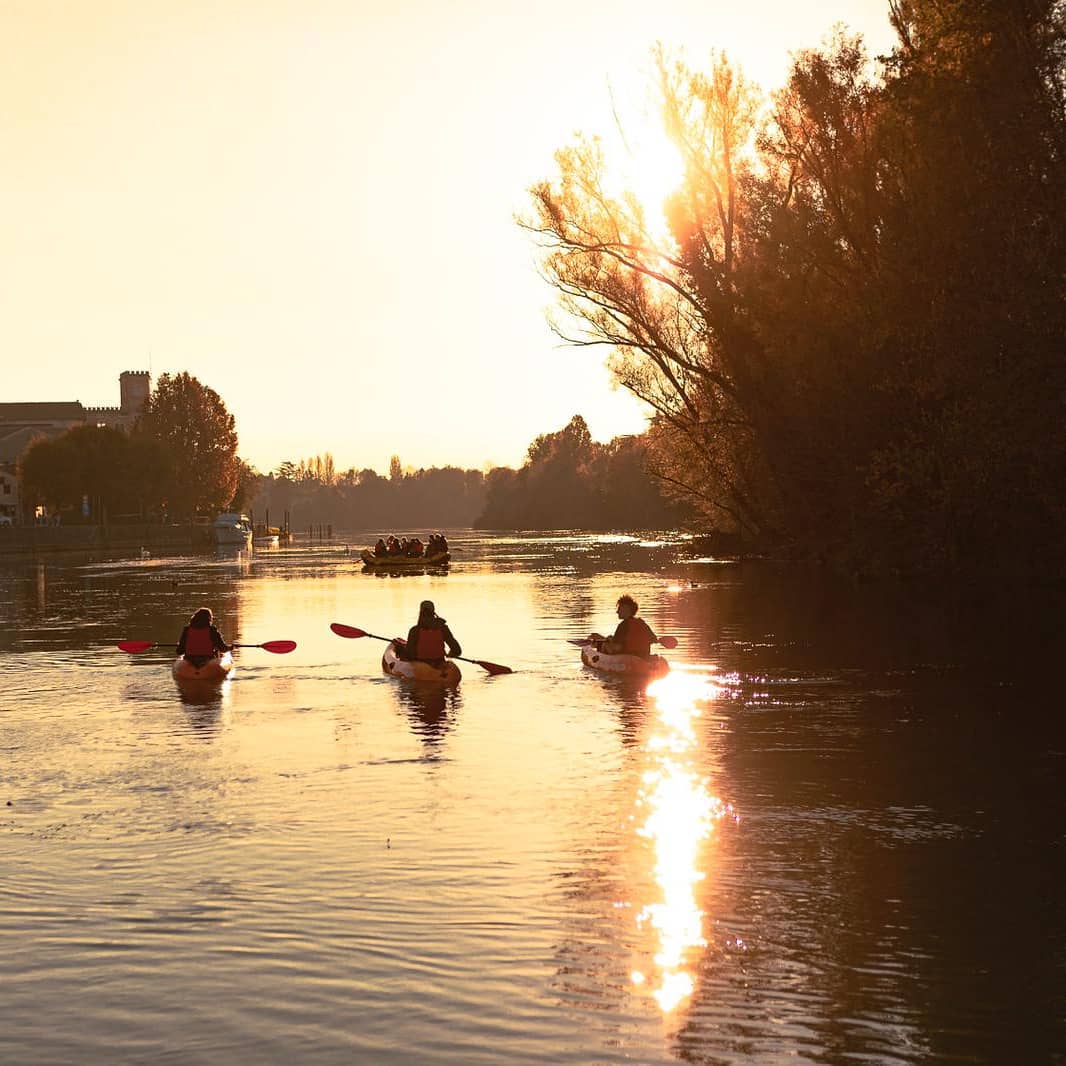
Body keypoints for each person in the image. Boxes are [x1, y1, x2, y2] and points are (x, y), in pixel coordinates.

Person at [399, 600, 461, 665]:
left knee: (401, 650)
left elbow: (409, 654)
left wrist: (401, 651)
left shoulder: (415, 630)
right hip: (439, 662)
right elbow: (457, 651)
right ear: (433, 611)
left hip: (420, 665)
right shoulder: (443, 628)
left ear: (421, 612)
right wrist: (450, 654)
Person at [594, 594, 658, 658]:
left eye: (619, 609)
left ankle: (600, 658)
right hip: (643, 656)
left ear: (625, 609)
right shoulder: (642, 623)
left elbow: (616, 646)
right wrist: (608, 639)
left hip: (627, 657)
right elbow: (654, 639)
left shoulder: (623, 625)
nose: (617, 612)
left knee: (605, 645)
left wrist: (601, 642)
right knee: (610, 642)